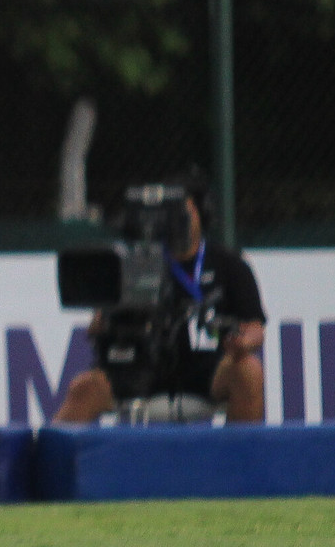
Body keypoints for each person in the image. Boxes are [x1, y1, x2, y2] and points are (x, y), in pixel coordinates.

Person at [55, 177, 267, 424]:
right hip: (141, 368)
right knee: (84, 388)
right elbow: (99, 325)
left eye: (184, 212)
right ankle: (51, 460)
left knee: (249, 372)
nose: (179, 222)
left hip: (206, 369)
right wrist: (104, 321)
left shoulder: (229, 265)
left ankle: (239, 460)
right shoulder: (136, 261)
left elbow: (255, 327)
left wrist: (243, 344)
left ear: (201, 213)